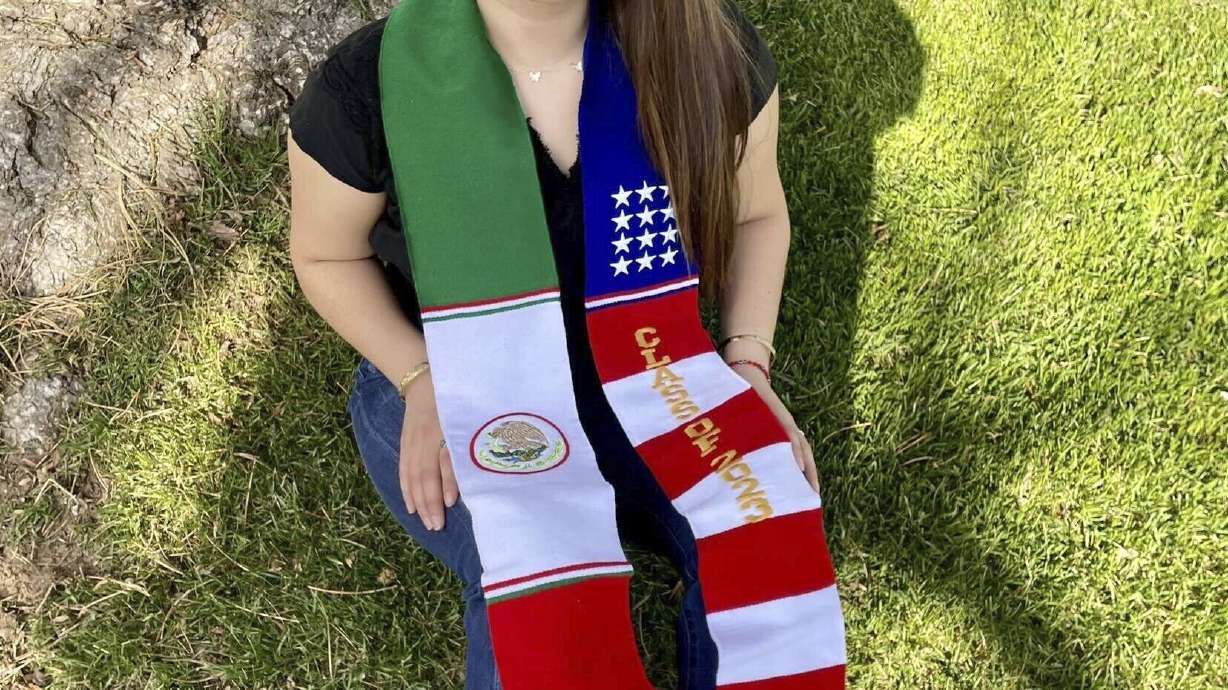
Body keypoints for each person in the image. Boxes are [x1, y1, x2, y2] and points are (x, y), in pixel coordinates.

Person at [287, 1, 834, 687]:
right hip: (461, 379)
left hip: (651, 368)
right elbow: (324, 257)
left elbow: (757, 213)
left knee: (766, 530)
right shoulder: (371, 84)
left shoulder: (699, 42)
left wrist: (747, 362)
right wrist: (418, 375)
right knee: (532, 581)